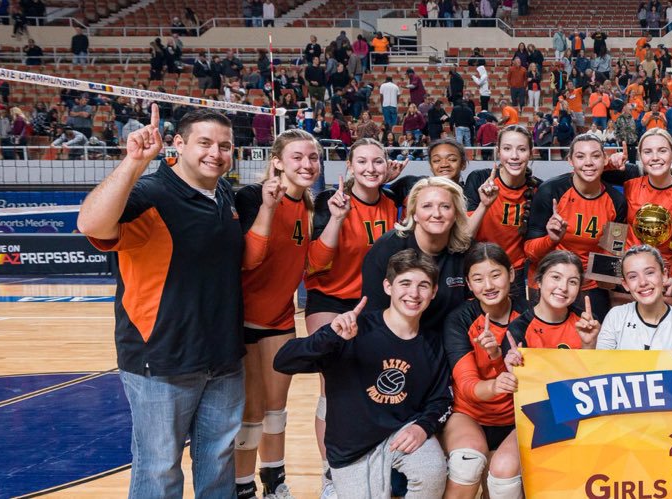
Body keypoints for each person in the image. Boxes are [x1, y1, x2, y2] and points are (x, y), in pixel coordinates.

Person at [78, 105, 245, 496]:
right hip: (162, 360)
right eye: (204, 143)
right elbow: (90, 224)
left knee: (219, 465)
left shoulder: (222, 191)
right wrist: (133, 162)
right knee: (159, 470)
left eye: (225, 146)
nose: (215, 153)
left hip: (222, 358)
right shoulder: (150, 193)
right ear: (178, 144)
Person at [273, 249, 452, 498]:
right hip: (351, 447)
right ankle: (333, 485)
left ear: (433, 292)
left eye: (423, 285)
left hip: (401, 432)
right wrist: (329, 336)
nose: (414, 293)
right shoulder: (354, 331)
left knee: (431, 469)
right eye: (405, 283)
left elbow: (441, 399)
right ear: (388, 286)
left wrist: (423, 427)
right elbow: (283, 362)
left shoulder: (432, 344)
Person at [305, 138, 401, 491]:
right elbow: (315, 264)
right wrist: (336, 218)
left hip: (373, 305)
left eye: (378, 162)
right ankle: (331, 471)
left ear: (388, 165)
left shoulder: (393, 204)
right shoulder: (330, 202)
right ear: (349, 167)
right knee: (332, 387)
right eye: (362, 162)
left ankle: (370, 464)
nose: (370, 169)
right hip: (330, 300)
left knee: (372, 385)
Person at [231, 129, 321, 499]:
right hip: (244, 321)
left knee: (276, 411)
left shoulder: (310, 207)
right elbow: (249, 261)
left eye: (313, 157)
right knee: (250, 414)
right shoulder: (252, 197)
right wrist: (268, 208)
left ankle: (275, 483)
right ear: (278, 162)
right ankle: (241, 488)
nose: (307, 164)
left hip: (282, 319)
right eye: (298, 157)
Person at [441, 243, 528, 498]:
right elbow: (467, 387)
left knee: (503, 485)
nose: (488, 286)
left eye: (496, 275)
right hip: (470, 414)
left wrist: (497, 358)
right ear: (468, 284)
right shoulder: (459, 319)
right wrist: (495, 381)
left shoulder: (531, 314)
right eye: (478, 279)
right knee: (465, 464)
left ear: (511, 274)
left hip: (517, 418)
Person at [524, 133, 628, 315]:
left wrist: (610, 280)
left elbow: (610, 255)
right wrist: (551, 239)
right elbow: (530, 252)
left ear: (605, 159)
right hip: (550, 280)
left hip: (590, 283)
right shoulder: (550, 191)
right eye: (580, 156)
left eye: (595, 156)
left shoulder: (617, 201)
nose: (588, 162)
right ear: (570, 161)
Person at [362, 176, 474, 333]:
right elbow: (372, 312)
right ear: (413, 213)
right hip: (396, 338)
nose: (436, 214)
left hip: (449, 340)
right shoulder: (388, 247)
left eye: (445, 206)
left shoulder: (467, 250)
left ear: (456, 213)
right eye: (427, 206)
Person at [602, 129, 672, 293]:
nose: (655, 157)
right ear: (640, 156)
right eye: (648, 152)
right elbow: (588, 173)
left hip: (660, 278)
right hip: (625, 274)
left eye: (662, 150)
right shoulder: (630, 177)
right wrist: (609, 163)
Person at [464, 125, 540, 303]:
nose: (514, 156)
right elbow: (465, 236)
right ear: (498, 152)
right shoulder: (479, 179)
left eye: (521, 149)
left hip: (515, 273)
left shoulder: (539, 189)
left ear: (531, 153)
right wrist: (484, 204)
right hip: (479, 270)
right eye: (507, 149)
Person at [596, 245, 672, 350]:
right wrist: (589, 344)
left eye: (650, 273)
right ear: (625, 284)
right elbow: (601, 363)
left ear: (664, 275)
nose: (643, 282)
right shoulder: (615, 317)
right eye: (633, 276)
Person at [509, 250, 601, 349]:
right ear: (539, 281)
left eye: (572, 282)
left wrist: (589, 345)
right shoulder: (519, 328)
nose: (564, 287)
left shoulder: (586, 324)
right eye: (556, 277)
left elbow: (592, 364)